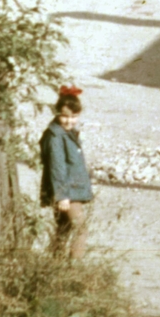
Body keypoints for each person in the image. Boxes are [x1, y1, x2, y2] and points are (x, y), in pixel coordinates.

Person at [40, 85, 93, 258]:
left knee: (64, 228)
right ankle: (74, 269)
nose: (69, 121)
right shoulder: (56, 137)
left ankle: (55, 266)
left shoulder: (67, 133)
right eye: (65, 116)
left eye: (74, 117)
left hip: (70, 189)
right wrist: (62, 195)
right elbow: (57, 166)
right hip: (67, 192)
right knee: (80, 229)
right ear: (57, 113)